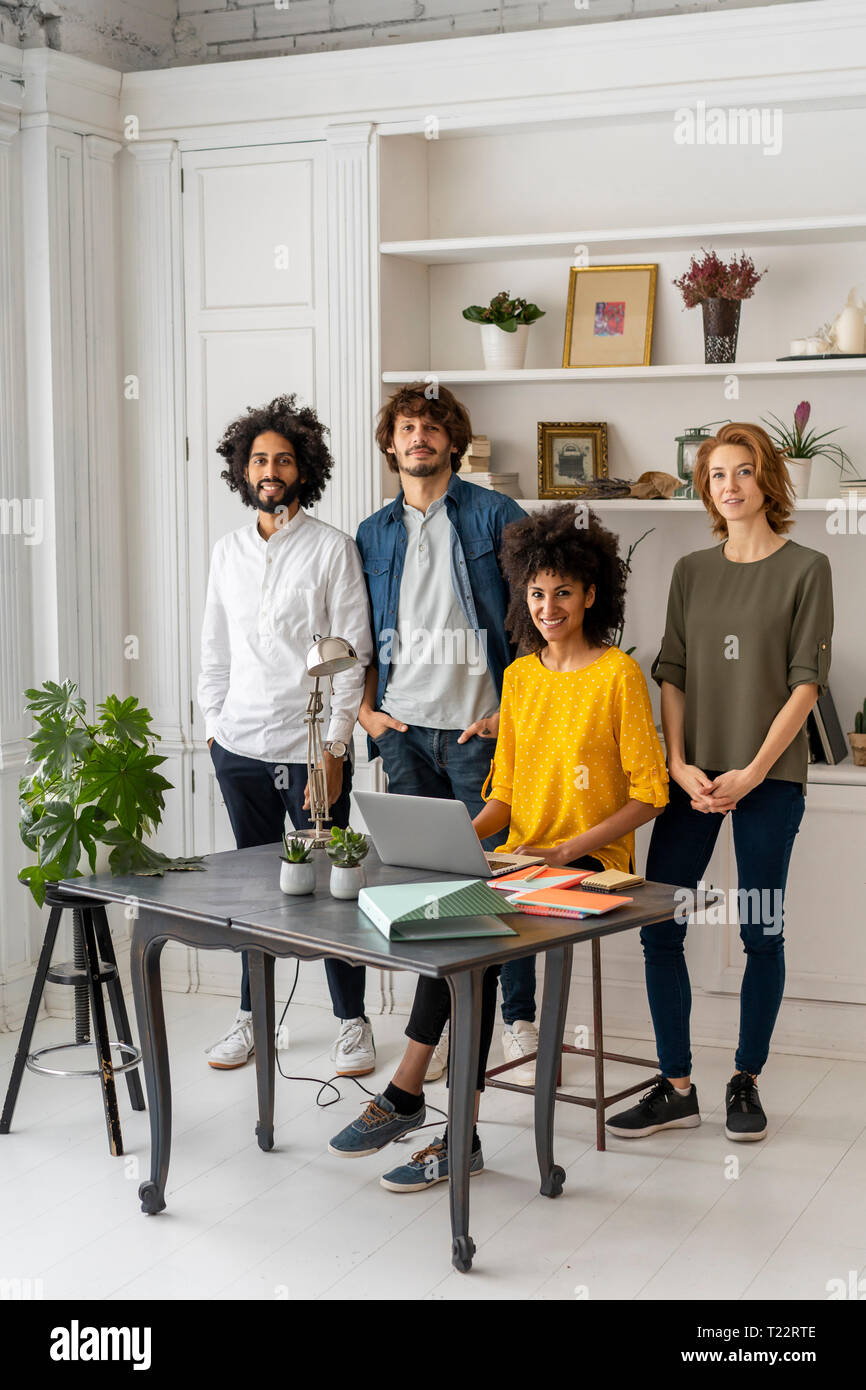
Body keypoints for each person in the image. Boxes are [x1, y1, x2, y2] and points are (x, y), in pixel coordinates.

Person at [329, 503, 669, 1192]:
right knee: (443, 932)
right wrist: (452, 838)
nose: (548, 607)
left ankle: (413, 1100)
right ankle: (446, 1126)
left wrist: (568, 847)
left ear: (591, 594)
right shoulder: (518, 678)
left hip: (593, 866)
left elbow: (650, 794)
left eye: (563, 593)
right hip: (523, 860)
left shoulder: (617, 677)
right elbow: (504, 803)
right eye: (536, 593)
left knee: (466, 945)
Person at [606, 422, 833, 1144]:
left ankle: (746, 1080)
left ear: (768, 479)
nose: (728, 486)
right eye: (715, 476)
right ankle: (676, 1086)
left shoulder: (807, 567)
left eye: (742, 472)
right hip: (694, 777)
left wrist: (754, 771)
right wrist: (678, 764)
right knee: (659, 923)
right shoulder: (692, 571)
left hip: (767, 779)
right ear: (704, 489)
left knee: (760, 930)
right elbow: (670, 673)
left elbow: (805, 685)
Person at [354, 382, 541, 1086]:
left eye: (433, 427)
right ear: (391, 442)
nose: (419, 438)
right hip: (404, 732)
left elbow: (536, 620)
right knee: (425, 888)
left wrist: (512, 711)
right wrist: (367, 714)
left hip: (478, 732)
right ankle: (440, 1032)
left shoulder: (497, 515)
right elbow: (363, 634)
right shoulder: (373, 532)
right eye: (407, 427)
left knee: (500, 885)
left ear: (453, 442)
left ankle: (515, 1025)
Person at [197, 394, 375, 1073]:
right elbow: (213, 649)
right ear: (242, 471)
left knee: (333, 893)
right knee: (255, 895)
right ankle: (254, 1019)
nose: (270, 469)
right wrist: (215, 729)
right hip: (239, 749)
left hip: (310, 752)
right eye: (259, 459)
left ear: (305, 470)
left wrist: (333, 751)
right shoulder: (228, 551)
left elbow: (352, 656)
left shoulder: (332, 549)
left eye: (283, 459)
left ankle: (351, 1022)